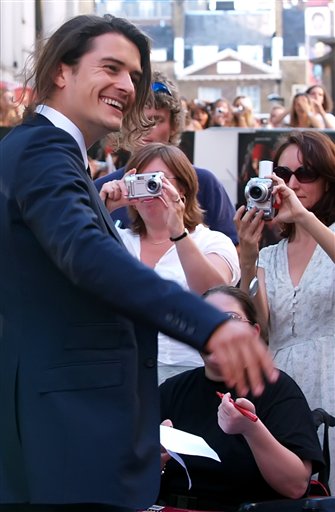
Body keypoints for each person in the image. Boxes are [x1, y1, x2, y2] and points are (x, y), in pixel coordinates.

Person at [0, 13, 278, 511]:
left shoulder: (53, 152)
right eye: (110, 67)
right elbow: (86, 254)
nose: (127, 86)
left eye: (133, 74)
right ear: (61, 72)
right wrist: (210, 325)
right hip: (63, 434)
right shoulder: (44, 149)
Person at [158, 285, 324, 511]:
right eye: (205, 320)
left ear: (254, 332)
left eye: (230, 318)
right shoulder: (172, 390)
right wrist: (152, 462)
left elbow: (296, 486)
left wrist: (251, 429)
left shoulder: (277, 389)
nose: (217, 328)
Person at [235, 129, 335, 490]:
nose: (291, 183)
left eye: (305, 174)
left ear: (328, 180)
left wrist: (304, 217)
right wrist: (247, 257)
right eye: (283, 173)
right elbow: (262, 326)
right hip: (282, 383)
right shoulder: (270, 255)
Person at [100, 142, 240, 383]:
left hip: (192, 376)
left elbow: (215, 296)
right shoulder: (114, 239)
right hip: (123, 373)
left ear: (183, 187)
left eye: (157, 181)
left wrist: (178, 232)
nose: (150, 189)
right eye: (141, 181)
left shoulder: (212, 241)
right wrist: (103, 209)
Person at [94, 70, 239, 245]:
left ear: (173, 125)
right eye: (139, 119)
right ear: (125, 124)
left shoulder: (203, 182)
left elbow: (234, 252)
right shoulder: (104, 191)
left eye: (156, 120)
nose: (146, 127)